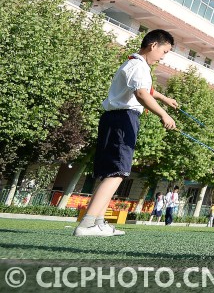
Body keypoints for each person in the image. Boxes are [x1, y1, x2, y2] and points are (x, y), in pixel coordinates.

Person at [74, 30, 178, 237]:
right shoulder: (138, 66)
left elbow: (145, 89)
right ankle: (87, 224)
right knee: (118, 172)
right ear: (153, 45)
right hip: (123, 119)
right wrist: (163, 115)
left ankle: (98, 222)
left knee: (113, 172)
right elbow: (141, 94)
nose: (163, 57)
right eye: (164, 51)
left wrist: (164, 98)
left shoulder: (135, 64)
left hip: (117, 119)